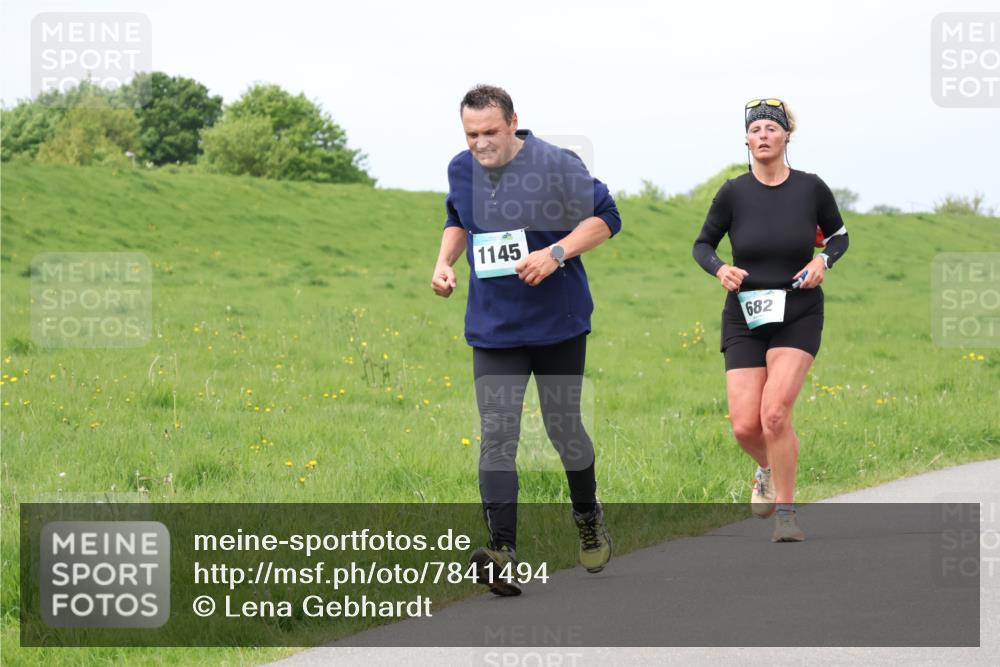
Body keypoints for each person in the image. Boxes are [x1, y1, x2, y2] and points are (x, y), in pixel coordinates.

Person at [431, 84, 621, 594]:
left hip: (556, 323)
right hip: (494, 329)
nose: (480, 143)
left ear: (514, 122)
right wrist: (444, 263)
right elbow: (457, 219)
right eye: (471, 134)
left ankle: (587, 516)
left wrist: (556, 252)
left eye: (490, 132)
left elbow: (607, 219)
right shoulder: (461, 168)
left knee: (564, 430)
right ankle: (502, 551)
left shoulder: (557, 164)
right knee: (497, 434)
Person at [692, 98, 849, 542]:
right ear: (747, 139)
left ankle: (786, 512)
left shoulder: (810, 188)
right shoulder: (733, 192)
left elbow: (839, 236)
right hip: (744, 313)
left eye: (771, 128)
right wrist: (720, 268)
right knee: (745, 425)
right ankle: (766, 468)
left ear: (785, 137)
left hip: (798, 310)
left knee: (775, 415)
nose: (763, 135)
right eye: (755, 129)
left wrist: (824, 262)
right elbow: (702, 245)